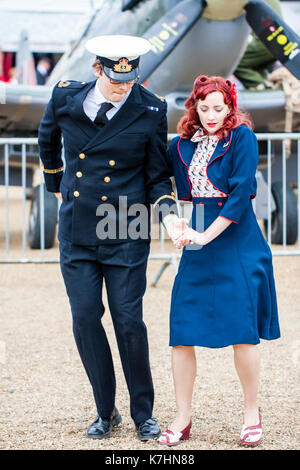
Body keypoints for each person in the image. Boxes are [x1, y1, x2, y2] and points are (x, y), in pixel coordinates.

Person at [38, 34, 187, 441]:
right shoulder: (65, 97)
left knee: (128, 321)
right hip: (78, 227)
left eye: (130, 79)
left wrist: (169, 214)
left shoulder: (151, 108)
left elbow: (158, 173)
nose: (124, 87)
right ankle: (106, 411)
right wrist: (57, 183)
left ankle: (144, 414)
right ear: (97, 70)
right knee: (86, 319)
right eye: (116, 79)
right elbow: (46, 139)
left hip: (127, 224)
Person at [157, 75, 281, 447]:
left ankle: (250, 412)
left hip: (236, 236)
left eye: (218, 108)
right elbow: (161, 182)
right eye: (203, 107)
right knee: (182, 331)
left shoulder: (241, 136)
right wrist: (173, 219)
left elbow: (242, 192)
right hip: (196, 231)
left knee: (242, 333)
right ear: (193, 107)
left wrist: (204, 235)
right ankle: (182, 417)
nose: (210, 115)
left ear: (230, 108)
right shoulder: (180, 144)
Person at [234, 0, 282, 90]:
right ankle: (267, 86)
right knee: (257, 66)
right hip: (280, 40)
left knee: (234, 61)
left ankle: (264, 88)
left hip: (266, 40)